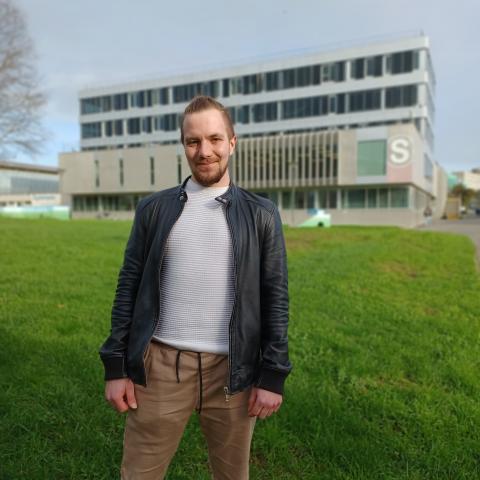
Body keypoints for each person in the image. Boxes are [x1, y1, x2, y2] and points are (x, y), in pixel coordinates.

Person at [99, 95, 292, 480]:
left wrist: (272, 374)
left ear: (232, 143)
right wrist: (116, 366)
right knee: (139, 473)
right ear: (184, 145)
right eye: (193, 141)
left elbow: (275, 295)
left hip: (233, 372)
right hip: (160, 367)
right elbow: (129, 288)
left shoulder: (261, 214)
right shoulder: (154, 210)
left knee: (232, 475)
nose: (205, 151)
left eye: (215, 139)